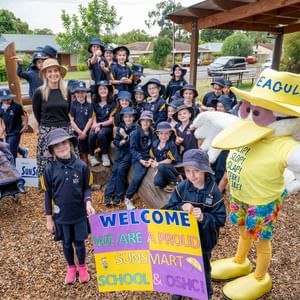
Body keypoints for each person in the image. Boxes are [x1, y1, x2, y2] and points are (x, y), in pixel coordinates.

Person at [166, 149, 226, 300]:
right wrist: (181, 208)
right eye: (188, 171)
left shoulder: (214, 192)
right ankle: (179, 290)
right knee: (181, 265)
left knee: (202, 268)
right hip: (183, 239)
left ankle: (206, 294)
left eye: (196, 171)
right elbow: (169, 210)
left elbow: (220, 219)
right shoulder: (181, 188)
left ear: (205, 170)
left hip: (204, 240)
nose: (192, 175)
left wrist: (204, 217)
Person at [41, 128, 95, 285]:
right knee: (66, 242)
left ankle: (83, 267)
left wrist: (88, 203)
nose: (61, 147)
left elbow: (87, 188)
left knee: (79, 242)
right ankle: (71, 267)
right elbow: (48, 195)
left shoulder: (81, 166)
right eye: (56, 145)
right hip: (61, 216)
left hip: (78, 214)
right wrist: (49, 219)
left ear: (70, 144)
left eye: (63, 142)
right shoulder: (49, 170)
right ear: (52, 150)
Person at [32, 58, 71, 180]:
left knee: (68, 158)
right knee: (47, 160)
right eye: (49, 71)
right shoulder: (39, 92)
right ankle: (48, 187)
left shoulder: (66, 91)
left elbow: (67, 110)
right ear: (45, 74)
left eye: (55, 71)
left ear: (60, 72)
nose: (53, 74)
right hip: (47, 129)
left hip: (65, 128)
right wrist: (44, 126)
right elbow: (37, 113)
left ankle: (68, 185)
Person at [104, 107, 137, 206]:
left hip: (129, 153)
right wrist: (120, 143)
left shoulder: (136, 128)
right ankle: (108, 194)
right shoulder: (121, 127)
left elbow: (133, 142)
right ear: (123, 118)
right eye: (126, 117)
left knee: (121, 170)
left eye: (130, 117)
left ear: (134, 118)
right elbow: (115, 141)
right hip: (120, 151)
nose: (128, 119)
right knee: (115, 170)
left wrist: (125, 137)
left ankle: (119, 195)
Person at [124, 111, 154, 210]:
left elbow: (154, 147)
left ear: (151, 122)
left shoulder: (152, 133)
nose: (145, 123)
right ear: (140, 121)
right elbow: (132, 149)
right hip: (139, 157)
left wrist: (151, 159)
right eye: (143, 120)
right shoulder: (135, 133)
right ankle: (128, 198)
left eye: (148, 121)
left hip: (149, 157)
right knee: (138, 177)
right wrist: (140, 160)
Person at [88, 80, 116, 167]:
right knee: (92, 134)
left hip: (107, 127)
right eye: (100, 89)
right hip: (97, 124)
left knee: (101, 133)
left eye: (105, 88)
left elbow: (111, 120)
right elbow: (94, 117)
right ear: (97, 91)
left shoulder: (112, 103)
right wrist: (95, 125)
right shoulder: (94, 103)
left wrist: (99, 125)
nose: (103, 91)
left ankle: (105, 155)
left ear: (108, 90)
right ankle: (91, 155)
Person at [150, 121, 180, 192]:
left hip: (173, 167)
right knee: (157, 182)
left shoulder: (171, 145)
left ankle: (176, 182)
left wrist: (157, 165)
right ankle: (168, 180)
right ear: (157, 133)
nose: (163, 136)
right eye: (161, 133)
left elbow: (169, 160)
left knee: (161, 166)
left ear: (170, 134)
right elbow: (154, 158)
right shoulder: (155, 144)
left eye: (166, 133)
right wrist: (156, 170)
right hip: (162, 168)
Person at [0, 88, 28, 162]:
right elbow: (1, 118)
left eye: (9, 99)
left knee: (11, 150)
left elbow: (25, 114)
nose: (7, 101)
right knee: (9, 144)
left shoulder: (17, 106)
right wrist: (2, 129)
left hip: (16, 130)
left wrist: (25, 125)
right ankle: (23, 151)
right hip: (7, 130)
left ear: (11, 97)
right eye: (4, 100)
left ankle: (13, 166)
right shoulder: (0, 107)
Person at [70, 81, 93, 164]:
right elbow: (71, 120)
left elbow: (90, 119)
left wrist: (84, 132)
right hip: (76, 131)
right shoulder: (72, 105)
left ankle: (86, 164)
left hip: (86, 131)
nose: (80, 94)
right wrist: (79, 132)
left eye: (82, 92)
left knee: (85, 150)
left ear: (86, 93)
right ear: (75, 94)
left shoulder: (89, 105)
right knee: (77, 148)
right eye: (78, 92)